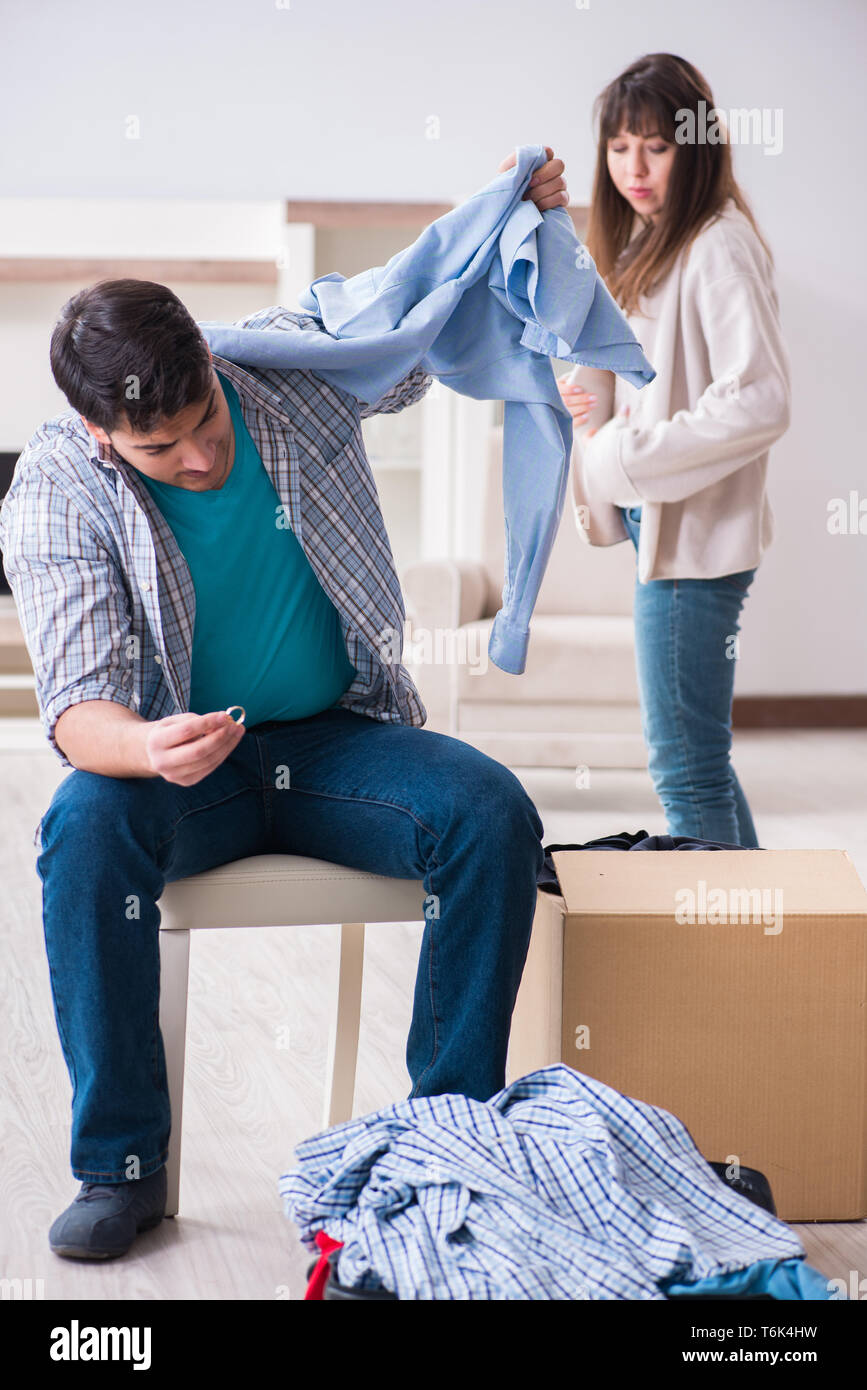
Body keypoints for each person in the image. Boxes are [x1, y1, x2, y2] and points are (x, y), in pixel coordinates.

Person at [0, 149, 569, 1261]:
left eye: (205, 420)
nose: (202, 456)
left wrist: (511, 227)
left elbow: (417, 318)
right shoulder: (57, 486)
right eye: (161, 449)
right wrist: (149, 744)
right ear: (102, 435)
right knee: (79, 827)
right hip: (175, 769)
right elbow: (75, 710)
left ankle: (441, 1143)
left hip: (338, 738)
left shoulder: (286, 373)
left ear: (209, 363)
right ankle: (118, 1164)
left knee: (489, 811)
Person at [559, 54, 791, 847]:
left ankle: (722, 962)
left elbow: (759, 397)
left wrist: (623, 453)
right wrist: (597, 416)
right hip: (668, 537)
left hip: (694, 547)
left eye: (654, 146)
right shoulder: (656, 243)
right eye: (619, 147)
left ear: (694, 145)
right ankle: (760, 943)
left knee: (683, 768)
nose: (634, 168)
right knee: (701, 760)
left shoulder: (717, 243)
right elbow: (654, 383)